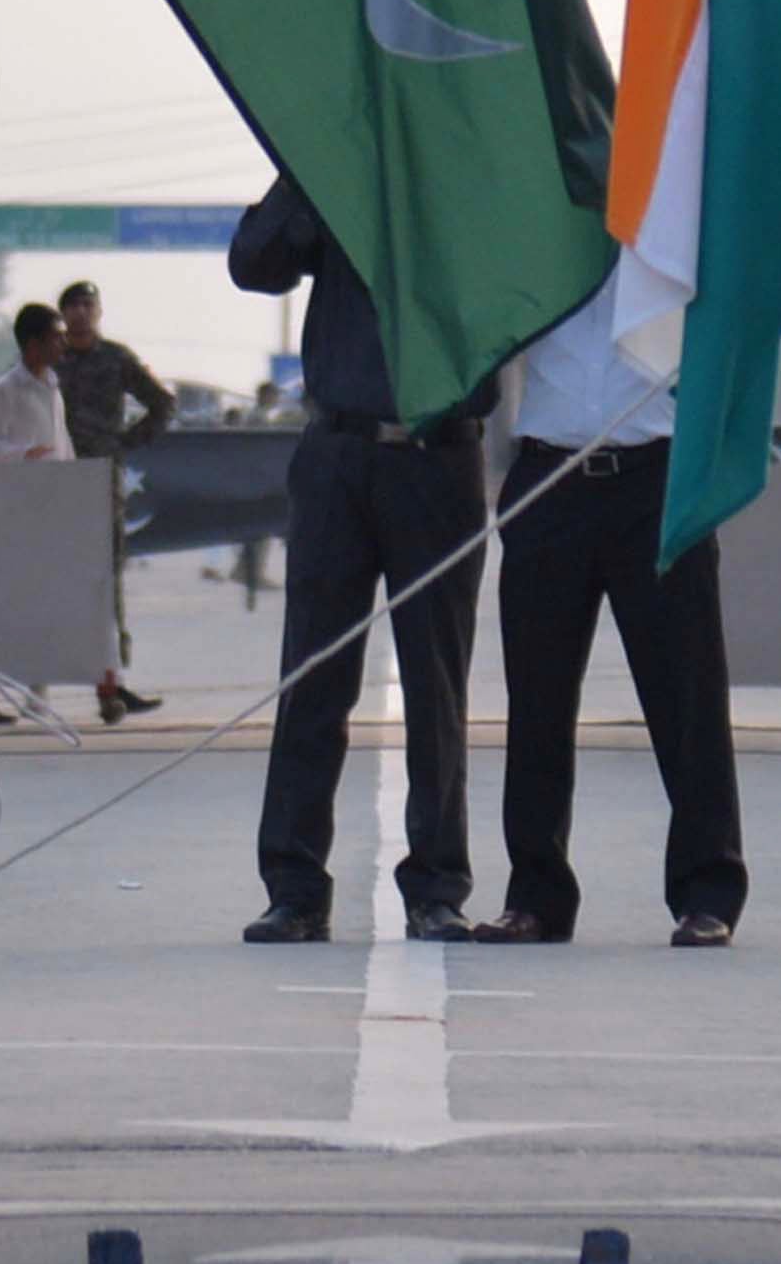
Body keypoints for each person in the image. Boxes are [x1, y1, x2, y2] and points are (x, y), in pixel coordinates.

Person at [228, 172, 496, 945]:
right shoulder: (335, 161)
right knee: (313, 676)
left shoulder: (469, 166)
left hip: (438, 457)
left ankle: (436, 887)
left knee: (435, 685)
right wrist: (312, 171)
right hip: (337, 454)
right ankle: (293, 887)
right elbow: (254, 263)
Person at [469, 289, 745, 949]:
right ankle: (536, 895)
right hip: (549, 473)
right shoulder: (538, 233)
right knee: (536, 699)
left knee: (685, 693)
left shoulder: (670, 230)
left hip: (653, 477)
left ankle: (707, 890)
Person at [52, 278, 171, 722]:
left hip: (101, 479)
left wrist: (124, 442)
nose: (80, 313)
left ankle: (111, 684)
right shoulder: (49, 357)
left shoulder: (116, 360)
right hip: (55, 482)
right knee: (50, 581)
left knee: (104, 583)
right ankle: (33, 682)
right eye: (72, 306)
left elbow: (162, 404)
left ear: (98, 312)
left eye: (87, 305)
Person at [0, 303, 70, 727]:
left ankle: (37, 695)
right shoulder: (7, 389)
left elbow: (63, 445)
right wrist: (25, 455)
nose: (63, 343)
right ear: (33, 343)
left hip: (50, 506)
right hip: (12, 508)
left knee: (45, 604)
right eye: (55, 336)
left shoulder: (53, 387)